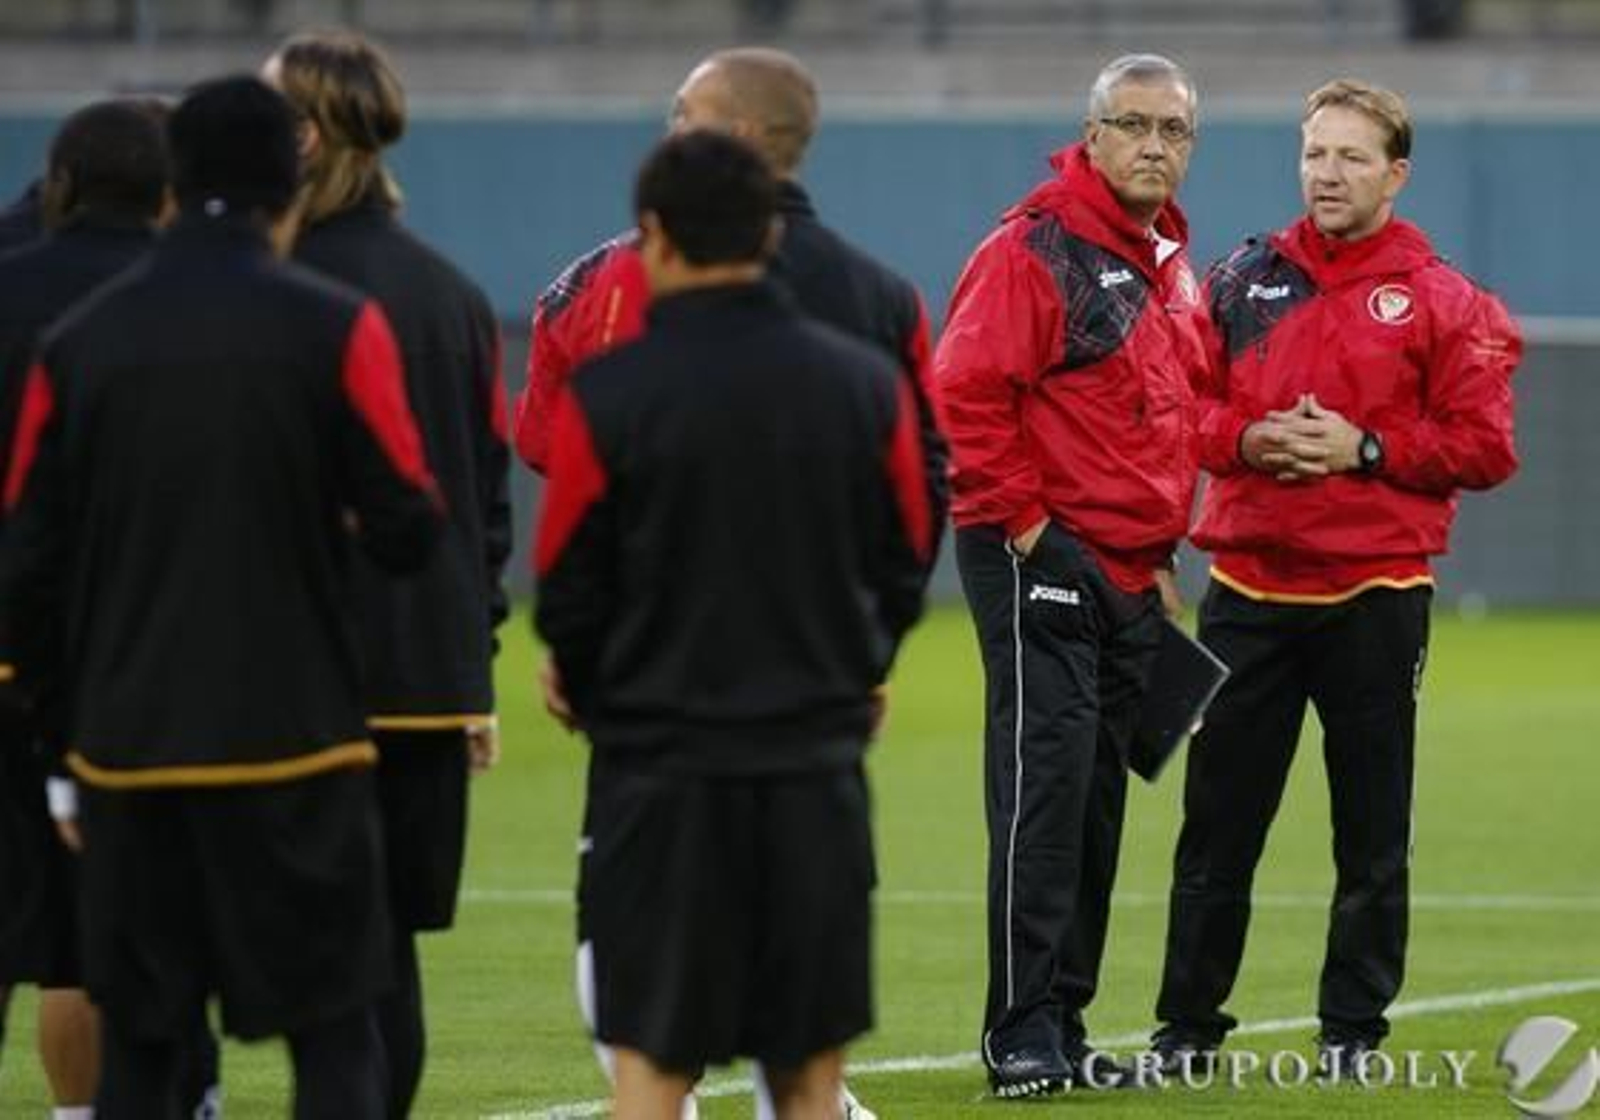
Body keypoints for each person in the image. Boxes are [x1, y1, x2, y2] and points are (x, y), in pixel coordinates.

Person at [0, 74, 442, 1117]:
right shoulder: (338, 326)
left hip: (129, 748)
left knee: (145, 1045)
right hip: (299, 745)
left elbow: (29, 563)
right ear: (290, 186)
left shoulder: (83, 342)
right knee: (334, 1034)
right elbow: (410, 523)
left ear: (172, 186)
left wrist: (62, 743)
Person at [515, 45, 944, 1120]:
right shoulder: (866, 368)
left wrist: (599, 681)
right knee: (806, 1074)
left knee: (653, 1066)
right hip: (809, 753)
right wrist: (859, 661)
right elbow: (908, 543)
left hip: (659, 760)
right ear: (767, 233)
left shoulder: (611, 390)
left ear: (655, 239)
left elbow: (564, 580)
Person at [1148, 78, 1520, 1079]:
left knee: (1371, 832)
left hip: (1376, 596)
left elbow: (1486, 446)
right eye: (1315, 152)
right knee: (1216, 827)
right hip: (1247, 593)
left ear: (1396, 174)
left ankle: (1352, 1034)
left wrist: (1367, 449)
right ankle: (1185, 1031)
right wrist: (1247, 438)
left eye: (1352, 156)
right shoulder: (1239, 279)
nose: (1327, 173)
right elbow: (1180, 410)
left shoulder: (1443, 299)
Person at [933, 53, 1207, 1097]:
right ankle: (1019, 1031)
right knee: (1044, 788)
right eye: (1131, 124)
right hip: (1037, 550)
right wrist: (1032, 528)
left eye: (1171, 130)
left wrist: (1160, 552)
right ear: (1090, 137)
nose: (1151, 146)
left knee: (1095, 798)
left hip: (1128, 565)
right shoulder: (1035, 248)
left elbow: (1160, 416)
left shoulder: (1165, 259)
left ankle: (1065, 1020)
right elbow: (963, 394)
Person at [263, 30, 512, 1117]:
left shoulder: (275, 288)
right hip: (425, 678)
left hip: (291, 678)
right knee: (387, 955)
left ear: (307, 135)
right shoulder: (448, 293)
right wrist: (470, 659)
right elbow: (485, 498)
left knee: (302, 964)